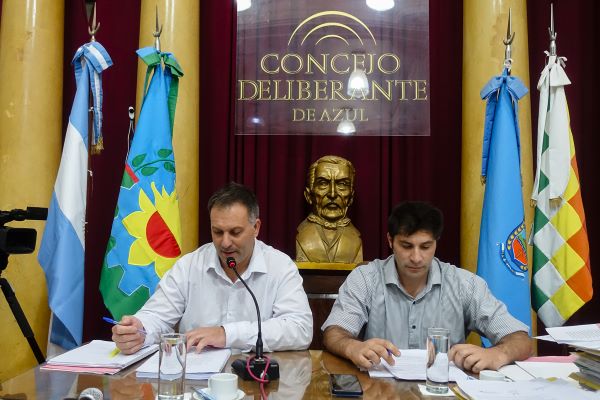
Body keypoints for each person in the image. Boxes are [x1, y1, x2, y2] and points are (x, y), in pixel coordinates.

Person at [322, 201, 531, 373]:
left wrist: (497, 354)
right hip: (379, 390)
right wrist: (352, 347)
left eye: (425, 247)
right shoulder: (365, 279)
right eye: (406, 246)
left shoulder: (464, 284)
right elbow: (334, 333)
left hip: (443, 389)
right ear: (390, 241)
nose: (416, 257)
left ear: (436, 243)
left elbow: (521, 339)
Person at [112, 182, 313, 354]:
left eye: (235, 232)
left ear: (256, 228)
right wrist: (139, 330)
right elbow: (157, 316)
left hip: (255, 376)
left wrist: (227, 334)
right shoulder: (189, 266)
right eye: (217, 232)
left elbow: (300, 329)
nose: (225, 243)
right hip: (196, 378)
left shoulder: (280, 266)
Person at [296, 155, 363, 263]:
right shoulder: (302, 235)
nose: (332, 194)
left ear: (351, 197)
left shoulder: (355, 237)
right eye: (323, 183)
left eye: (342, 184)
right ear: (308, 195)